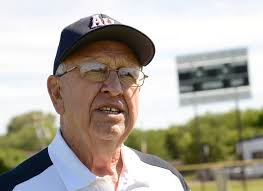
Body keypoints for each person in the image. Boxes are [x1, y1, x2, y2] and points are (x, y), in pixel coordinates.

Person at [0, 14, 190, 191]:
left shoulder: (168, 181)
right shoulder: (16, 187)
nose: (114, 87)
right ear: (57, 93)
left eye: (127, 73)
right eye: (96, 69)